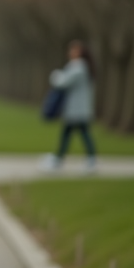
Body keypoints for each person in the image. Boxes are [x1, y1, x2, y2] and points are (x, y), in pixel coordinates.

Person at [41, 40, 98, 172]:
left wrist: (55, 75)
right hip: (77, 108)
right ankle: (88, 159)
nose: (71, 52)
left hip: (77, 109)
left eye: (75, 50)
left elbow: (62, 82)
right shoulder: (81, 66)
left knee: (73, 133)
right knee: (79, 133)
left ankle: (60, 159)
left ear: (81, 52)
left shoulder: (78, 67)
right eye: (71, 50)